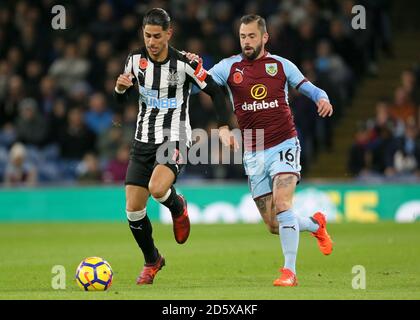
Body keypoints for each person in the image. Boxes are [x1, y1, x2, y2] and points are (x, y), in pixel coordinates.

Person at [186, 14, 334, 286]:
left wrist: (322, 98)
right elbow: (200, 88)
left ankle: (290, 272)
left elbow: (311, 89)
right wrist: (193, 69)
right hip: (252, 151)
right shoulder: (229, 67)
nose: (246, 41)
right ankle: (315, 225)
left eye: (252, 36)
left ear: (265, 37)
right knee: (273, 224)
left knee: (283, 203)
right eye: (243, 37)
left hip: (284, 143)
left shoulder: (281, 65)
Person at [114, 8, 231, 285]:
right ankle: (152, 260)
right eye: (147, 36)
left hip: (175, 136)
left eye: (157, 36)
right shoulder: (134, 60)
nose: (151, 42)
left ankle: (177, 207)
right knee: (133, 210)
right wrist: (119, 90)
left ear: (169, 34)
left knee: (157, 188)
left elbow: (215, 91)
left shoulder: (185, 63)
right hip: (143, 139)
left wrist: (225, 125)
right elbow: (122, 104)